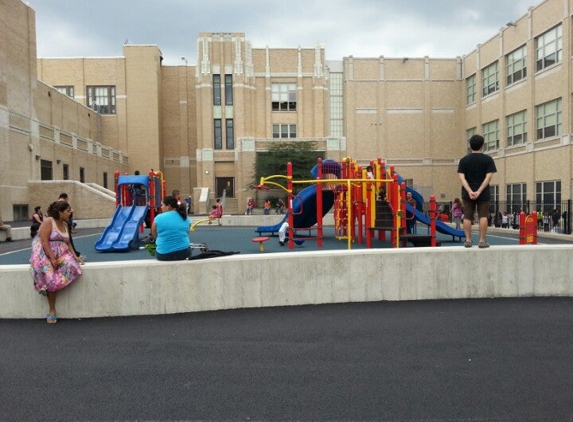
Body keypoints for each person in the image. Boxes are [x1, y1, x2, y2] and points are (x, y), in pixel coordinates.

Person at [30, 201, 84, 323]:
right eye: (68, 211)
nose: (70, 213)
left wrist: (75, 257)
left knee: (72, 266)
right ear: (60, 212)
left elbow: (68, 242)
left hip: (62, 253)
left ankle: (48, 287)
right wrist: (52, 258)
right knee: (49, 276)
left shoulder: (65, 224)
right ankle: (52, 309)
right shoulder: (49, 221)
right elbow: (44, 241)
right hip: (44, 253)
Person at [457, 134, 497, 248]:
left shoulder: (464, 160)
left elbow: (461, 178)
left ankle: (468, 240)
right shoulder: (488, 159)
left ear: (470, 146)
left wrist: (470, 190)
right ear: (482, 145)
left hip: (467, 193)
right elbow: (488, 178)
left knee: (467, 216)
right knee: (483, 216)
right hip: (483, 193)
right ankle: (481, 240)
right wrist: (479, 191)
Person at [151, 195, 191, 261]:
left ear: (168, 206)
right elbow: (186, 233)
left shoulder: (158, 218)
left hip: (163, 254)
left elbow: (154, 233)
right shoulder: (185, 217)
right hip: (184, 253)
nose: (161, 207)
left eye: (162, 205)